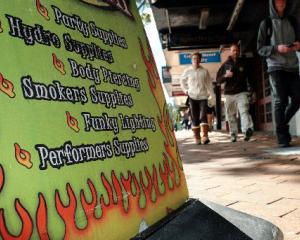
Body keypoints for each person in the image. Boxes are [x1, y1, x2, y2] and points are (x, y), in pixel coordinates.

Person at [257, 0, 300, 147]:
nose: (281, 3)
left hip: (293, 66)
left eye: (283, 0)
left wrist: (298, 45)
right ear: (273, 4)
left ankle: (281, 126)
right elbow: (260, 49)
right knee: (280, 101)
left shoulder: (293, 21)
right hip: (275, 66)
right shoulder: (266, 23)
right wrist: (276, 48)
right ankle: (282, 137)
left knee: (298, 98)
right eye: (277, 1)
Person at [217, 44, 254, 142]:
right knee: (231, 114)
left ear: (239, 51)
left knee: (244, 111)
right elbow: (218, 80)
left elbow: (250, 78)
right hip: (229, 93)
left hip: (242, 92)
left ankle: (246, 131)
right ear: (230, 51)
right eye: (233, 50)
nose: (236, 52)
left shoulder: (244, 63)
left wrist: (252, 91)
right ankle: (233, 134)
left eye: (237, 50)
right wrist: (225, 76)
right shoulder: (225, 64)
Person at [180, 52, 215, 144]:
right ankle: (197, 138)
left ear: (200, 60)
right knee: (195, 117)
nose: (196, 60)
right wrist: (186, 91)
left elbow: (209, 84)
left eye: (197, 58)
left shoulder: (205, 71)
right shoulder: (187, 71)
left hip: (203, 96)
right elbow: (182, 81)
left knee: (203, 115)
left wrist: (212, 95)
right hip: (192, 96)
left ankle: (205, 137)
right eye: (194, 58)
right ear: (191, 60)